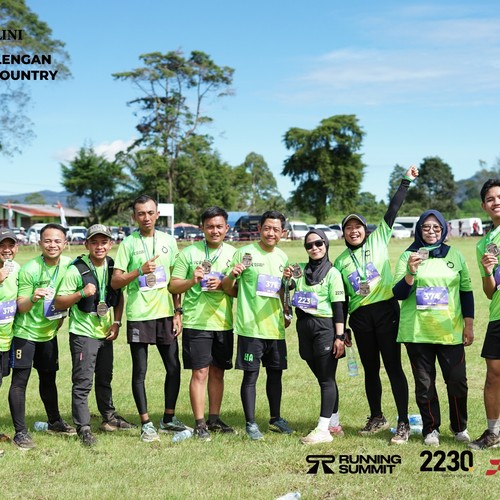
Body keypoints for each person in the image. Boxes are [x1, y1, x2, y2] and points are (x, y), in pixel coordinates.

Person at [334, 165, 418, 445]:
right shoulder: (340, 262)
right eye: (348, 228)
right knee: (370, 370)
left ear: (365, 230)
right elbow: (342, 297)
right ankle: (377, 416)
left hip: (386, 311)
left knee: (393, 367)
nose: (353, 231)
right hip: (360, 318)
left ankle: (403, 422)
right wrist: (342, 328)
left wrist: (405, 181)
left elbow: (393, 209)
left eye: (357, 227)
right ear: (343, 233)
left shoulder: (380, 238)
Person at [393, 210, 474, 446]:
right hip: (417, 332)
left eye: (436, 227)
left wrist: (468, 324)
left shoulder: (455, 255)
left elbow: (466, 292)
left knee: (457, 381)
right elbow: (399, 293)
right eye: (426, 227)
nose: (431, 231)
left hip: (450, 332)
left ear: (443, 230)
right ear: (419, 230)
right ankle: (431, 429)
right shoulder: (408, 256)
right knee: (425, 385)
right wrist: (411, 272)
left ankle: (459, 427)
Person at [111, 195, 187, 442]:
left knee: (173, 367)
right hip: (139, 315)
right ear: (134, 216)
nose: (146, 217)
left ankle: (168, 418)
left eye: (150, 212)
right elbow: (116, 282)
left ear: (157, 214)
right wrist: (139, 271)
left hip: (165, 314)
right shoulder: (127, 244)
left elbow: (175, 281)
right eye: (141, 213)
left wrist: (177, 312)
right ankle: (146, 424)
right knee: (140, 371)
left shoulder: (168, 241)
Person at [55, 224, 136, 447]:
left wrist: (117, 322)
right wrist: (82, 293)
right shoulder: (76, 270)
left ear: (111, 244)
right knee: (83, 382)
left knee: (104, 377)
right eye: (94, 242)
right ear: (86, 244)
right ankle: (83, 427)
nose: (99, 246)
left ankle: (109, 418)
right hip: (83, 334)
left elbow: (118, 296)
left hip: (105, 333)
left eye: (104, 242)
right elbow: (59, 302)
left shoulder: (112, 267)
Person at [222, 210, 291, 440]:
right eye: (267, 228)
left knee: (275, 375)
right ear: (259, 229)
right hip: (251, 328)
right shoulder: (244, 253)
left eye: (276, 229)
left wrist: (287, 312)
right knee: (251, 377)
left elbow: (282, 290)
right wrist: (232, 275)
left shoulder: (282, 257)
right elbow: (228, 288)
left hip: (275, 328)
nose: (271, 233)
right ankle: (251, 424)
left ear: (282, 233)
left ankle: (276, 418)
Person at [169, 207, 236, 440]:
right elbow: (172, 286)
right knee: (200, 372)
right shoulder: (189, 253)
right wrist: (192, 280)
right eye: (210, 226)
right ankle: (200, 424)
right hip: (197, 322)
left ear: (227, 228)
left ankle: (214, 419)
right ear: (202, 228)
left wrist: (224, 284)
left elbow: (238, 291)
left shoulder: (234, 254)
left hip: (224, 322)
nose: (215, 231)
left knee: (218, 372)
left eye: (219, 226)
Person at [9, 223, 76, 449]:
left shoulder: (69, 265)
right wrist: (34, 297)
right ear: (40, 243)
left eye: (57, 241)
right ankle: (20, 432)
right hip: (25, 333)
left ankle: (54, 421)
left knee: (48, 378)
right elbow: (21, 306)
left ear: (65, 244)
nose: (52, 245)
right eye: (47, 241)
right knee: (20, 382)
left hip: (48, 333)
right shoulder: (30, 269)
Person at [283, 228, 345, 444]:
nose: (314, 248)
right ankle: (334, 424)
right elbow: (288, 287)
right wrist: (286, 278)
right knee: (324, 378)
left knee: (326, 379)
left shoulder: (333, 273)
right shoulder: (299, 269)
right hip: (304, 327)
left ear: (326, 244)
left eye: (318, 243)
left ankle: (323, 430)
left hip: (324, 327)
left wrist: (339, 337)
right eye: (309, 245)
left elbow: (339, 308)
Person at [469, 179, 500, 449]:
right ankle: (493, 433)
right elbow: (490, 292)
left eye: (499, 197)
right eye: (490, 199)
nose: (496, 202)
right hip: (497, 315)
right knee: (493, 375)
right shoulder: (485, 244)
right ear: (483, 206)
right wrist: (489, 272)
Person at [0, 229, 20, 447]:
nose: (6, 250)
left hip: (7, 339)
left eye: (10, 245)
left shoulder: (17, 269)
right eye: (2, 246)